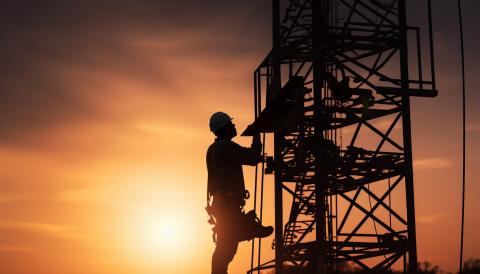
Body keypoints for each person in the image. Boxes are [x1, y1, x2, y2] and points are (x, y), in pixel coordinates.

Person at [206, 111, 274, 274]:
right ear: (224, 128)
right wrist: (256, 136)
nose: (234, 126)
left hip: (222, 204)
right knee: (227, 247)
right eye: (231, 124)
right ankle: (249, 228)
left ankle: (248, 227)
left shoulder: (214, 148)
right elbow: (251, 156)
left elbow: (247, 158)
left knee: (227, 245)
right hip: (227, 206)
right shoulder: (225, 147)